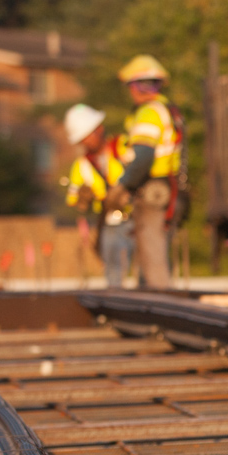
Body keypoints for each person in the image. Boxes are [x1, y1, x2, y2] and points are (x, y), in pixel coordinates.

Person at [115, 55, 187, 289]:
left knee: (152, 254)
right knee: (154, 253)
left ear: (135, 87)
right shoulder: (168, 110)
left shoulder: (148, 113)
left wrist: (123, 185)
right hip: (168, 188)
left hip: (152, 190)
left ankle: (162, 302)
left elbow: (143, 157)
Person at [63, 104, 133, 289]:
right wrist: (83, 198)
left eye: (88, 135)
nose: (86, 142)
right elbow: (73, 200)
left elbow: (141, 167)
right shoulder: (81, 165)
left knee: (143, 270)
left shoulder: (121, 146)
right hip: (109, 223)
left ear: (99, 129)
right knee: (113, 272)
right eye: (82, 139)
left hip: (136, 218)